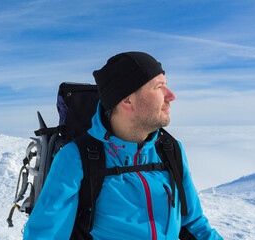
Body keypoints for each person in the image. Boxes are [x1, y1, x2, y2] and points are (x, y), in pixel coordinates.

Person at [23, 51, 223, 239]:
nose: (171, 96)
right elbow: (46, 235)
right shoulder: (76, 157)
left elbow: (193, 224)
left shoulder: (170, 149)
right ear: (127, 100)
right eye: (159, 87)